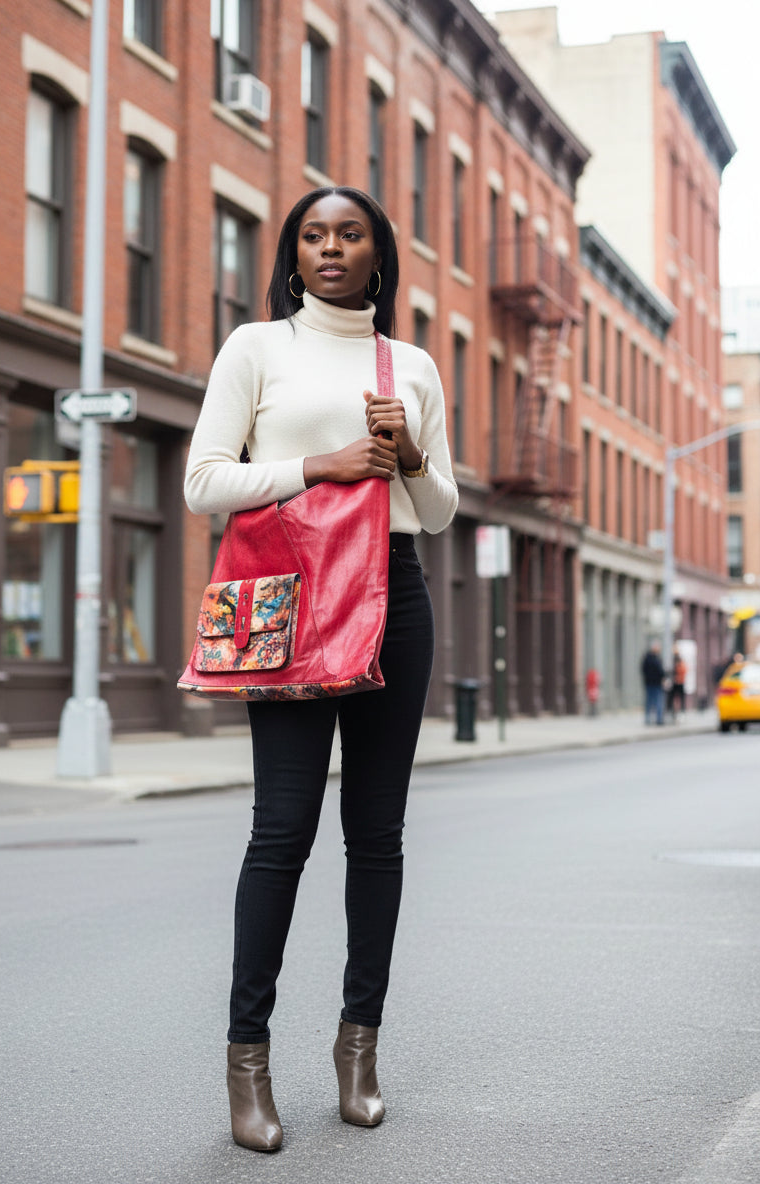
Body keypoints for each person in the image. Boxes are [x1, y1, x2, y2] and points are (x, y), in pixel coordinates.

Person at [185, 186, 458, 1151]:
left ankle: (359, 1048)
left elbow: (435, 510)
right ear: (294, 254)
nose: (331, 248)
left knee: (375, 836)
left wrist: (411, 455)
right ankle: (247, 1066)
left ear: (378, 254)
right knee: (281, 831)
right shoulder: (257, 348)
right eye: (314, 234)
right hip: (291, 595)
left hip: (393, 594)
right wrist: (323, 466)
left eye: (350, 234)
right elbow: (204, 481)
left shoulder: (411, 365)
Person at [641, 641, 665, 725]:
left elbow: (643, 670)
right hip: (654, 683)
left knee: (651, 701)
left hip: (651, 683)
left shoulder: (648, 658)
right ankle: (657, 719)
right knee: (656, 701)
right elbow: (660, 671)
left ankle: (651, 719)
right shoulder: (654, 659)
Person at [668, 648, 687, 719]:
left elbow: (683, 670)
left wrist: (677, 674)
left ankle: (681, 712)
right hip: (675, 683)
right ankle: (673, 712)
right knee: (672, 698)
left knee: (681, 698)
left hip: (679, 682)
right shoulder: (674, 661)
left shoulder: (680, 662)